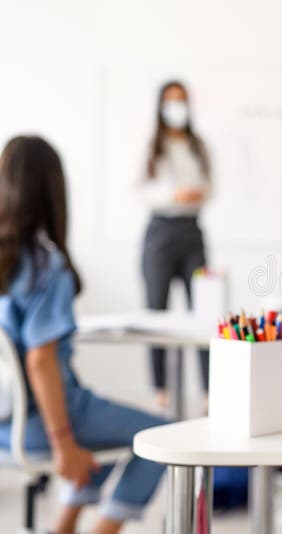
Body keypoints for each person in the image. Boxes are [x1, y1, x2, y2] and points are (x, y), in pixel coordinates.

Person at [0, 136, 168, 534]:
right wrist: (63, 445)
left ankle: (64, 527)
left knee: (102, 437)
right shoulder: (44, 266)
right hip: (40, 421)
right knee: (163, 435)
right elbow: (40, 361)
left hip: (5, 420)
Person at [140, 80, 212, 409]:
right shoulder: (151, 146)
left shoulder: (199, 146)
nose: (176, 107)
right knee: (156, 309)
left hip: (191, 230)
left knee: (203, 310)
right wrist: (173, 194)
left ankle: (208, 392)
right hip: (160, 232)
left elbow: (211, 185)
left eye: (181, 100)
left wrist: (196, 194)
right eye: (170, 101)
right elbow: (139, 188)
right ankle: (160, 390)